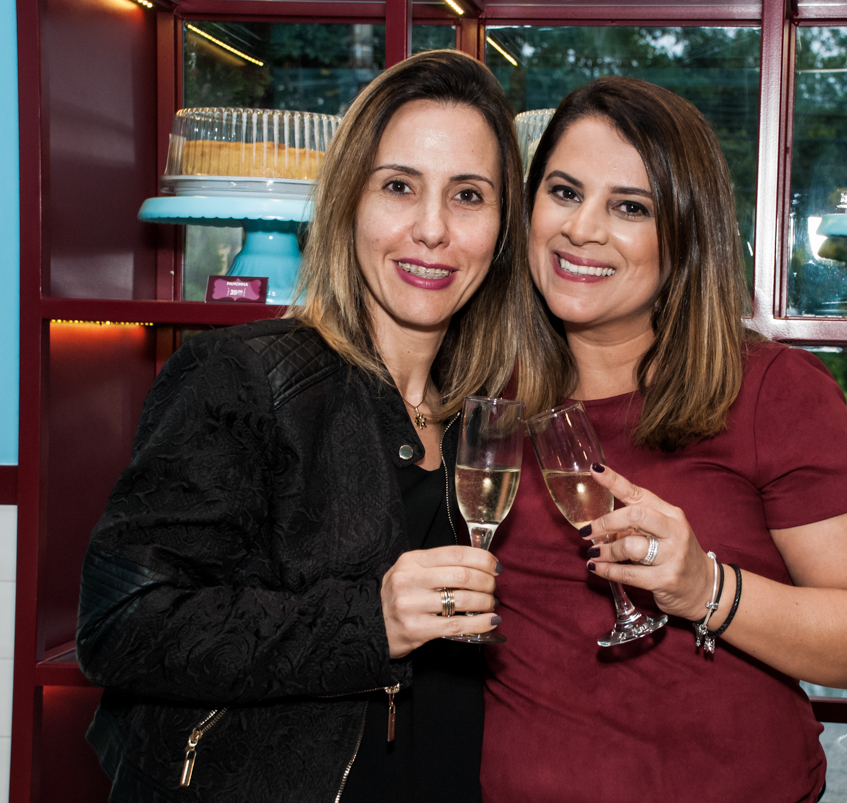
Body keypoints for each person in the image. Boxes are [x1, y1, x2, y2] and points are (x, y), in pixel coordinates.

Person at [76, 50, 535, 802]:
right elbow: (121, 623)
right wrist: (369, 622)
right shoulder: (244, 377)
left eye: (468, 196)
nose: (432, 229)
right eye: (398, 186)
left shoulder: (483, 416)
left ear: (502, 227)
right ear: (348, 200)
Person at [482, 76, 847, 803]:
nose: (581, 228)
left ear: (686, 233)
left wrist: (707, 588)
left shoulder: (773, 391)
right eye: (563, 191)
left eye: (630, 206)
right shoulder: (485, 393)